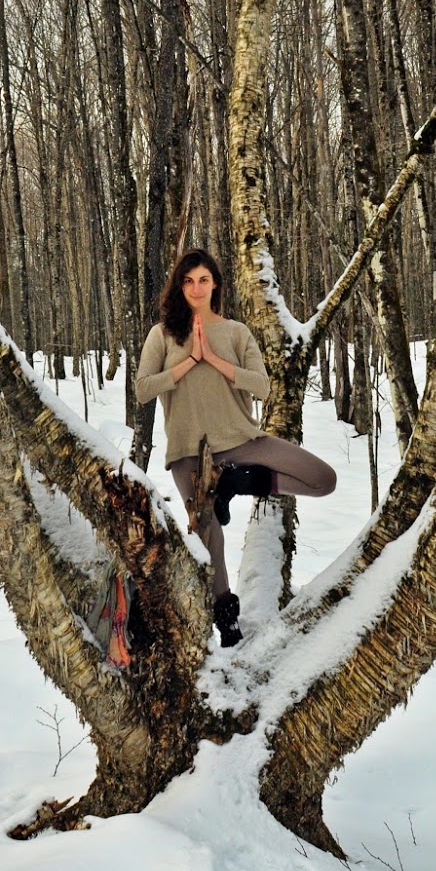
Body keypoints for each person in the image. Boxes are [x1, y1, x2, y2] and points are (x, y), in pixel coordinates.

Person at [135, 247, 336, 647]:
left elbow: (261, 386)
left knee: (322, 480)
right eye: (188, 280)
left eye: (203, 280)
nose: (195, 288)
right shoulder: (162, 334)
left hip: (243, 441)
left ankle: (236, 483)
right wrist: (190, 360)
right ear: (180, 286)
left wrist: (214, 358)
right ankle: (227, 625)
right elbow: (142, 389)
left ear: (216, 285)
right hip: (189, 454)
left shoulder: (236, 331)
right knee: (212, 536)